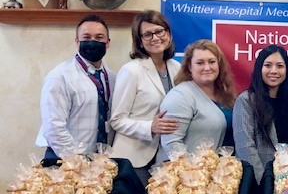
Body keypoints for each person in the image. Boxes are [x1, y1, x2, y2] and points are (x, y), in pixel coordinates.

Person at [109, 10, 180, 183]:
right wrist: (150, 127)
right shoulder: (131, 71)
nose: (155, 38)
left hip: (166, 158)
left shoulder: (176, 67)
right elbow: (117, 120)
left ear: (168, 34)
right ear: (140, 42)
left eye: (159, 31)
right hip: (135, 160)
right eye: (147, 34)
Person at [36, 14, 115, 160]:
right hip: (65, 161)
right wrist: (77, 162)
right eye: (86, 38)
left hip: (100, 161)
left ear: (108, 43)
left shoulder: (112, 77)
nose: (92, 42)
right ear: (77, 42)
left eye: (99, 38)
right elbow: (54, 128)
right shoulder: (60, 77)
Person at [159, 39, 236, 157]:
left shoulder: (225, 94)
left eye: (211, 62)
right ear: (189, 66)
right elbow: (171, 144)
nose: (207, 67)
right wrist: (195, 171)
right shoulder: (179, 96)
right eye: (200, 63)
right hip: (187, 172)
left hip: (216, 171)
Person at [232, 45, 288, 184]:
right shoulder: (246, 101)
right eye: (268, 65)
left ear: (286, 70)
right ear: (260, 68)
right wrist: (264, 183)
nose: (274, 71)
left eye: (280, 66)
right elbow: (245, 148)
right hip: (260, 185)